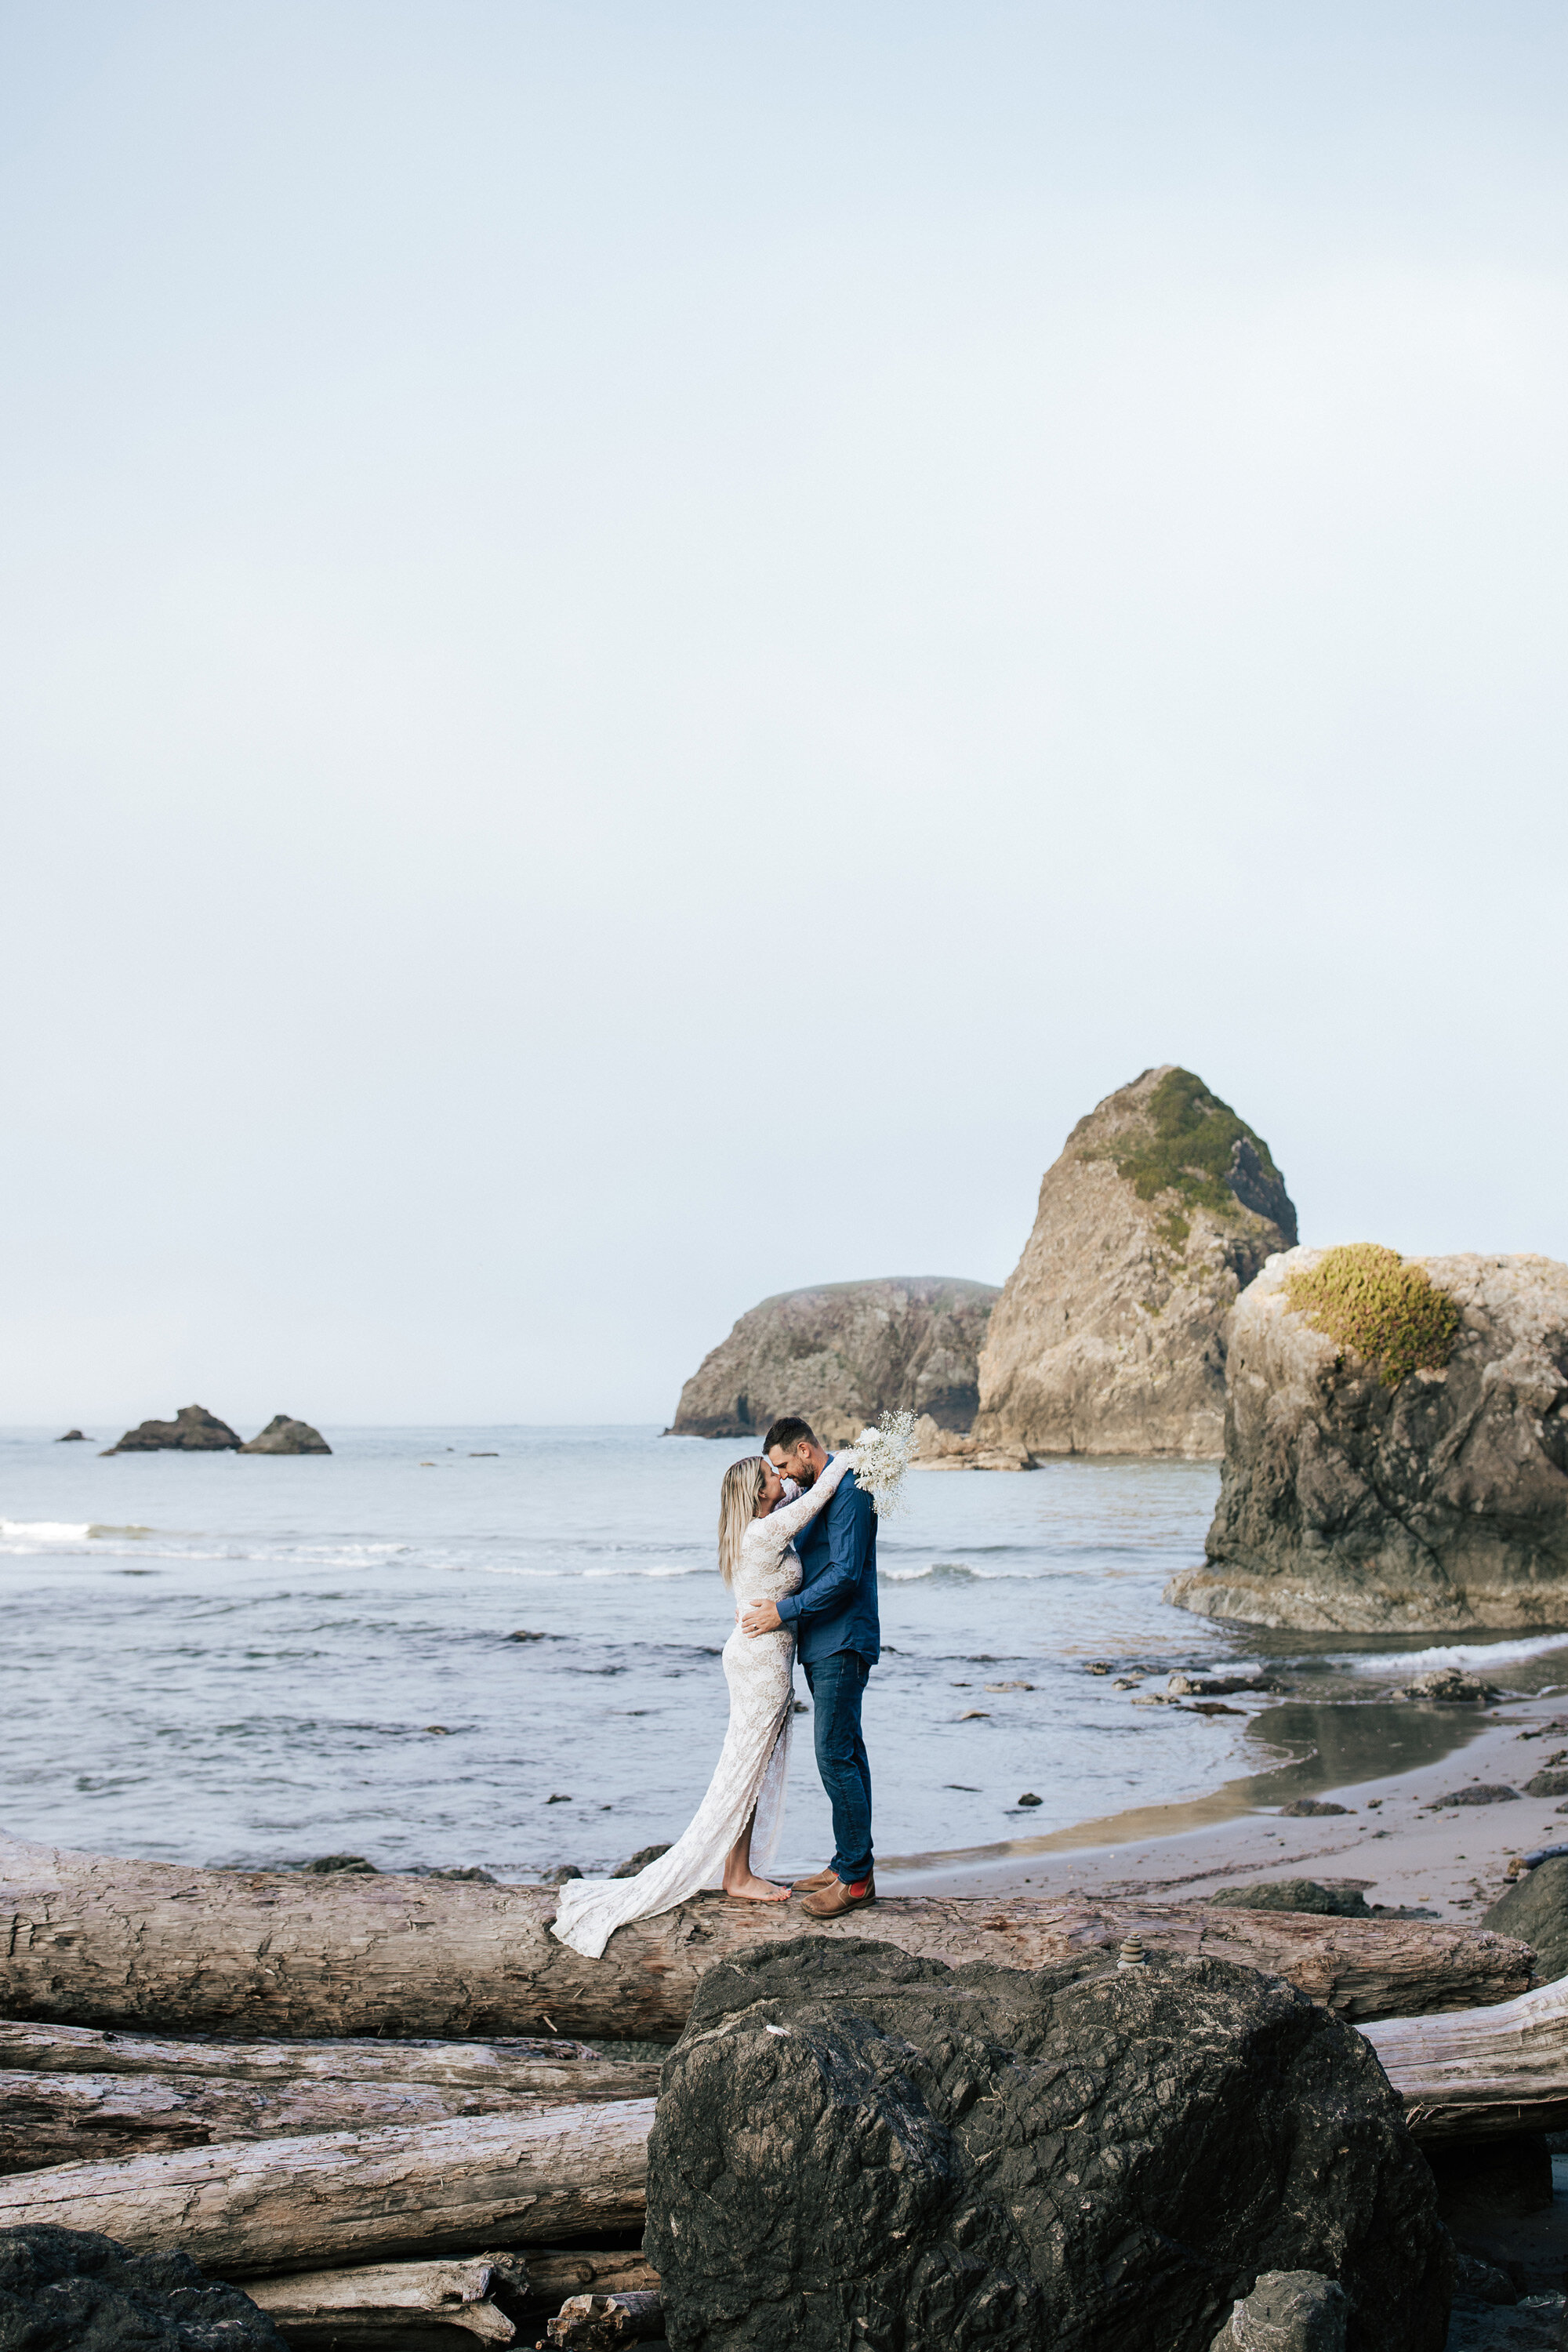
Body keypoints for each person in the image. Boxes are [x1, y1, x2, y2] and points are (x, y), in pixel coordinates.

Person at [548, 1445, 855, 1959]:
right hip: (760, 1668)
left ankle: (739, 1872)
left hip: (757, 1659)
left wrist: (796, 1465)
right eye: (769, 1474)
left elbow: (799, 1490)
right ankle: (736, 1874)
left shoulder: (758, 1525)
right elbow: (820, 1492)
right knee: (742, 1775)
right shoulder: (764, 1532)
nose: (779, 1475)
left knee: (747, 1774)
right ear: (759, 1493)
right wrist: (854, 1454)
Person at [740, 1414, 878, 1919]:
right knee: (847, 1751)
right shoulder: (823, 1486)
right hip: (822, 1642)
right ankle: (848, 1861)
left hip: (843, 1639)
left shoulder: (850, 1490)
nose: (783, 1477)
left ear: (803, 1450)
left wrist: (783, 1611)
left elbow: (844, 1573)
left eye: (782, 1465)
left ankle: (857, 1880)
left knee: (834, 1756)